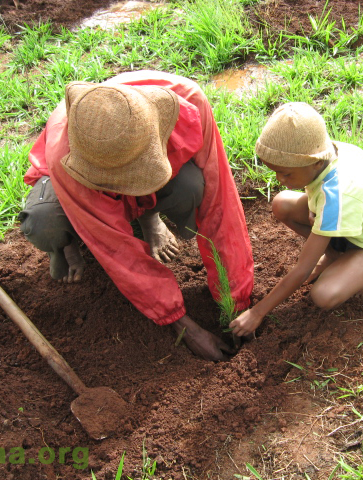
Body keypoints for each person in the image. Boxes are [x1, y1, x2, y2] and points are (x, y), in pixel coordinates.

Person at [18, 70, 254, 361]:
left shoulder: (187, 101)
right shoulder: (65, 155)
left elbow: (220, 203)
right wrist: (183, 325)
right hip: (66, 188)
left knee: (192, 186)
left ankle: (148, 219)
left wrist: (236, 298)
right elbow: (117, 251)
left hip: (133, 173)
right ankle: (67, 243)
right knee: (45, 224)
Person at [229, 102, 363, 337]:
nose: (279, 179)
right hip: (351, 222)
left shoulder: (339, 194)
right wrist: (317, 207)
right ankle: (338, 256)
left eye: (287, 173)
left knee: (323, 294)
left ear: (315, 161)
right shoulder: (332, 152)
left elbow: (302, 269)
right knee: (282, 203)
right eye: (275, 171)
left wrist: (257, 312)